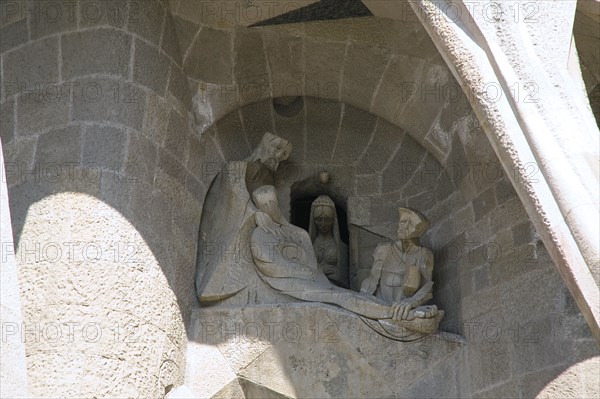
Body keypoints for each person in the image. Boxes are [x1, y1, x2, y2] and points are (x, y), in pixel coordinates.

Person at [195, 133, 292, 304]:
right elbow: (234, 197)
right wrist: (255, 214)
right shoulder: (235, 168)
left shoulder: (267, 178)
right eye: (276, 148)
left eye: (283, 154)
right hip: (231, 230)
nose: (277, 156)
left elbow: (269, 207)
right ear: (264, 145)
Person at [360, 208, 440, 321]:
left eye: (410, 224)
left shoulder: (424, 254)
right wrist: (362, 302)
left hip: (404, 313)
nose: (404, 227)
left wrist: (411, 302)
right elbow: (371, 281)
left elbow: (427, 288)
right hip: (380, 309)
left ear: (419, 231)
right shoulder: (384, 249)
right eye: (403, 222)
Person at [308, 195, 348, 287]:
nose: (323, 224)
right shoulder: (308, 245)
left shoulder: (341, 248)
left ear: (333, 220)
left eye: (327, 220)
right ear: (314, 221)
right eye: (319, 220)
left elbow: (343, 277)